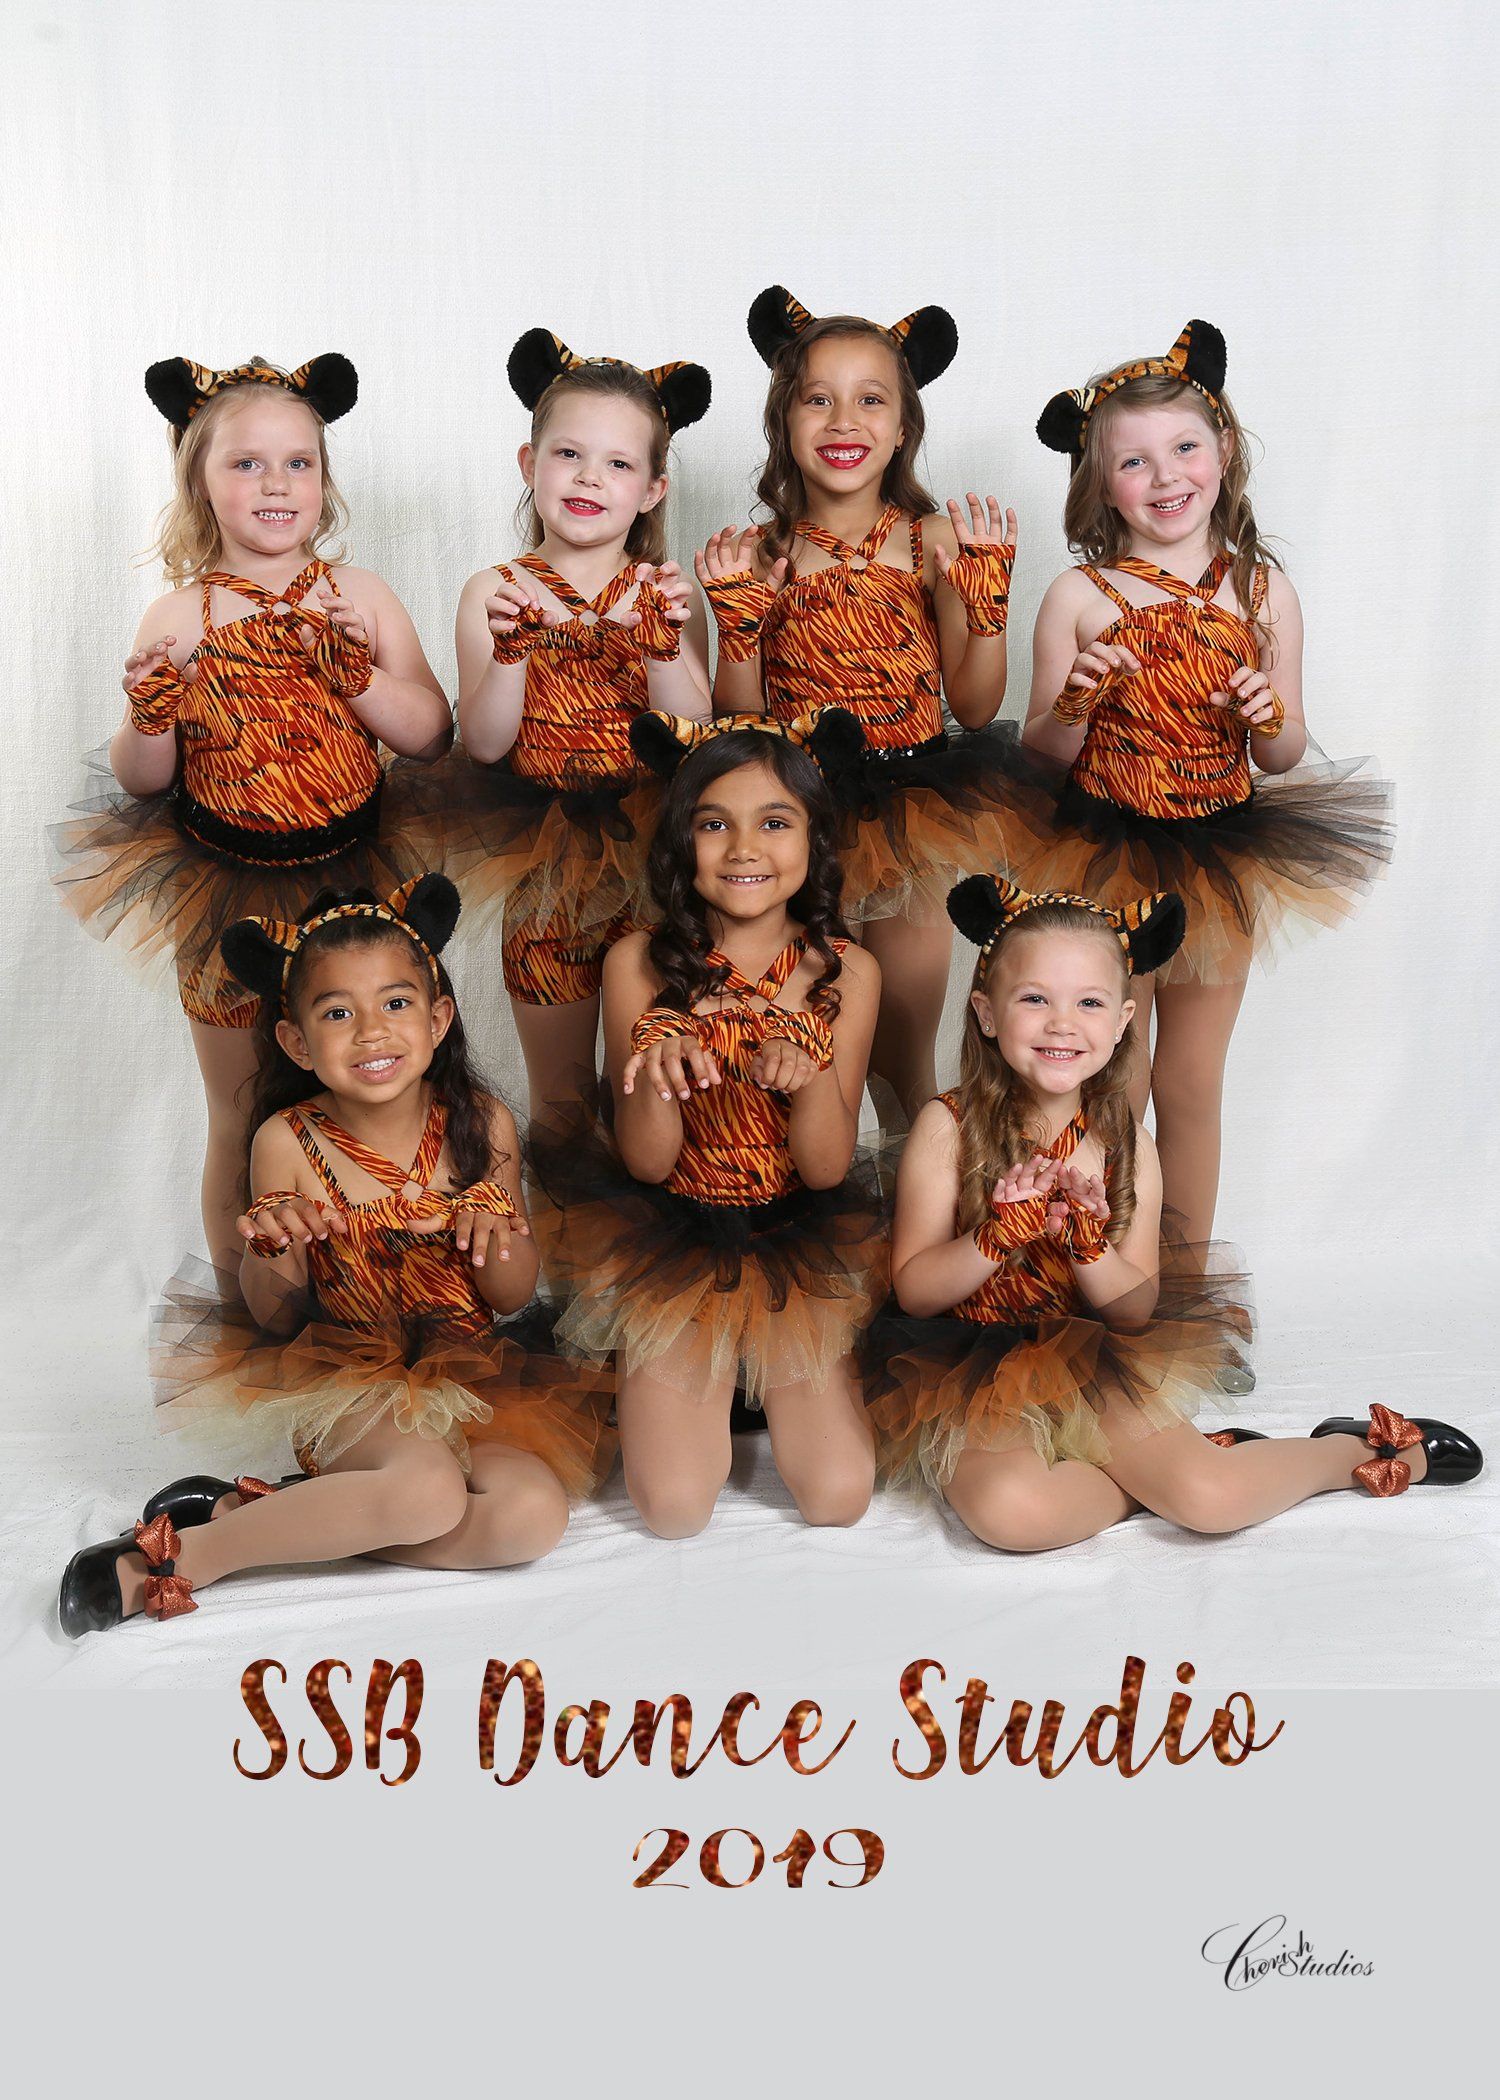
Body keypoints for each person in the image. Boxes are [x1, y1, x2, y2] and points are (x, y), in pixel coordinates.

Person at [58, 876, 612, 1635]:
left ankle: (282, 1514)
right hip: (350, 1384)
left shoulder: (480, 1125)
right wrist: (276, 1244)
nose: (372, 1032)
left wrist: (495, 1225)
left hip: (476, 1372)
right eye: (337, 1013)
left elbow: (511, 1296)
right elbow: (277, 1316)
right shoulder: (287, 1140)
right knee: (426, 1493)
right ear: (297, 1041)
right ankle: (188, 1555)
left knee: (532, 1517)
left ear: (439, 1017)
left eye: (395, 1003)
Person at [866, 875, 1480, 1551]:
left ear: (1124, 1020)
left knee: (1211, 1503)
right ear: (985, 1013)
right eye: (1034, 998)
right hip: (968, 1367)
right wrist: (995, 1236)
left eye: (1090, 1002)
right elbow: (916, 1293)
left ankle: (1355, 1453)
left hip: (1091, 1362)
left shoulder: (1127, 1148)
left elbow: (1134, 1309)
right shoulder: (946, 1128)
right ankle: (1166, 1477)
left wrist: (1087, 1247)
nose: (1062, 1022)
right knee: (1014, 1515)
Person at [52, 354, 452, 1271]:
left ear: (325, 478)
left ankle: (382, 1276)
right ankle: (251, 1316)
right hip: (223, 889)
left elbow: (431, 733)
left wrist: (362, 679)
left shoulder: (361, 597)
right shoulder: (180, 613)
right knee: (241, 1111)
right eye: (246, 464)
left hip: (353, 888)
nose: (276, 484)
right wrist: (152, 716)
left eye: (298, 463)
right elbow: (144, 777)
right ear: (198, 478)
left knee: (373, 1097)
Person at [1024, 321, 1393, 1240]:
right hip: (1104, 850)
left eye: (1184, 447)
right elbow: (1038, 754)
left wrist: (1266, 717)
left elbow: (1283, 752)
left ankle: (1183, 1276)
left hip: (1219, 852)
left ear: (1223, 450)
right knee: (1114, 1072)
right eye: (1134, 463)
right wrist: (1076, 700)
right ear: (1099, 483)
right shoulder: (1082, 596)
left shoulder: (1262, 592)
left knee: (1188, 1082)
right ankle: (1102, 1264)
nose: (1166, 477)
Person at [695, 286, 1051, 1120]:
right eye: (817, 399)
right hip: (792, 807)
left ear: (902, 428)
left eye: (870, 400)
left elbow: (973, 703)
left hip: (914, 811)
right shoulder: (767, 549)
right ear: (785, 424)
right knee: (789, 1026)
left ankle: (909, 1220)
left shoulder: (932, 540)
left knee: (901, 1036)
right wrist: (739, 629)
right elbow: (734, 716)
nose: (843, 420)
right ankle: (814, 1210)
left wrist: (989, 611)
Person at [530, 717, 883, 1537]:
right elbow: (648, 1165)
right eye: (714, 822)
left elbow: (827, 1169)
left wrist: (811, 1073)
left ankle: (764, 1386)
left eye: (774, 822)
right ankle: (689, 1389)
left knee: (839, 1497)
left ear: (813, 836)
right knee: (675, 1509)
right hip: (676, 1231)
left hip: (794, 1231)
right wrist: (658, 1059)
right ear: (682, 839)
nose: (742, 848)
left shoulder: (849, 970)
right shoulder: (637, 962)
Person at [450, 330, 713, 1122]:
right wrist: (511, 654)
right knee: (561, 1095)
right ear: (530, 466)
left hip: (657, 856)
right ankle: (563, 1231)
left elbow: (695, 728)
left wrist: (661, 643)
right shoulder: (494, 590)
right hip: (544, 864)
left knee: (653, 1087)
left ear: (654, 489)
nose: (590, 477)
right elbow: (486, 743)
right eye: (569, 454)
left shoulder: (663, 589)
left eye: (619, 464)